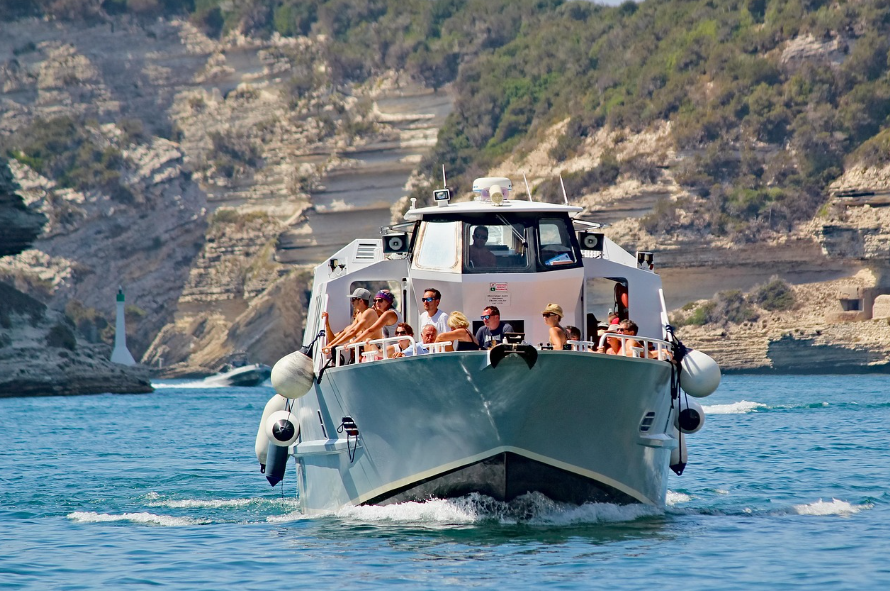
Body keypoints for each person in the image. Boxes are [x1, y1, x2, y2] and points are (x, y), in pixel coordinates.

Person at [323, 288, 379, 355]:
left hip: (376, 352)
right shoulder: (360, 315)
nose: (352, 302)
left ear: (361, 301)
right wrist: (330, 345)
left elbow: (354, 331)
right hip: (368, 354)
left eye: (353, 299)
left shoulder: (369, 312)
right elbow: (349, 331)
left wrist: (332, 346)